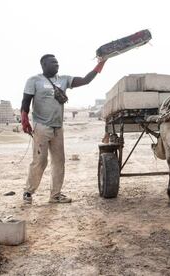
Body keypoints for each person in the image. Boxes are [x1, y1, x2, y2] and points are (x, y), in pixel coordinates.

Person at [21, 54, 106, 203]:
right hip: (41, 126)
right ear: (44, 65)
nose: (57, 65)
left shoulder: (64, 79)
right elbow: (25, 102)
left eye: (57, 63)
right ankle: (28, 191)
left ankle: (55, 195)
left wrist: (101, 64)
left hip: (58, 128)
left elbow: (86, 80)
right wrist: (24, 120)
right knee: (40, 161)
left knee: (59, 161)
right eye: (53, 63)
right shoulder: (34, 80)